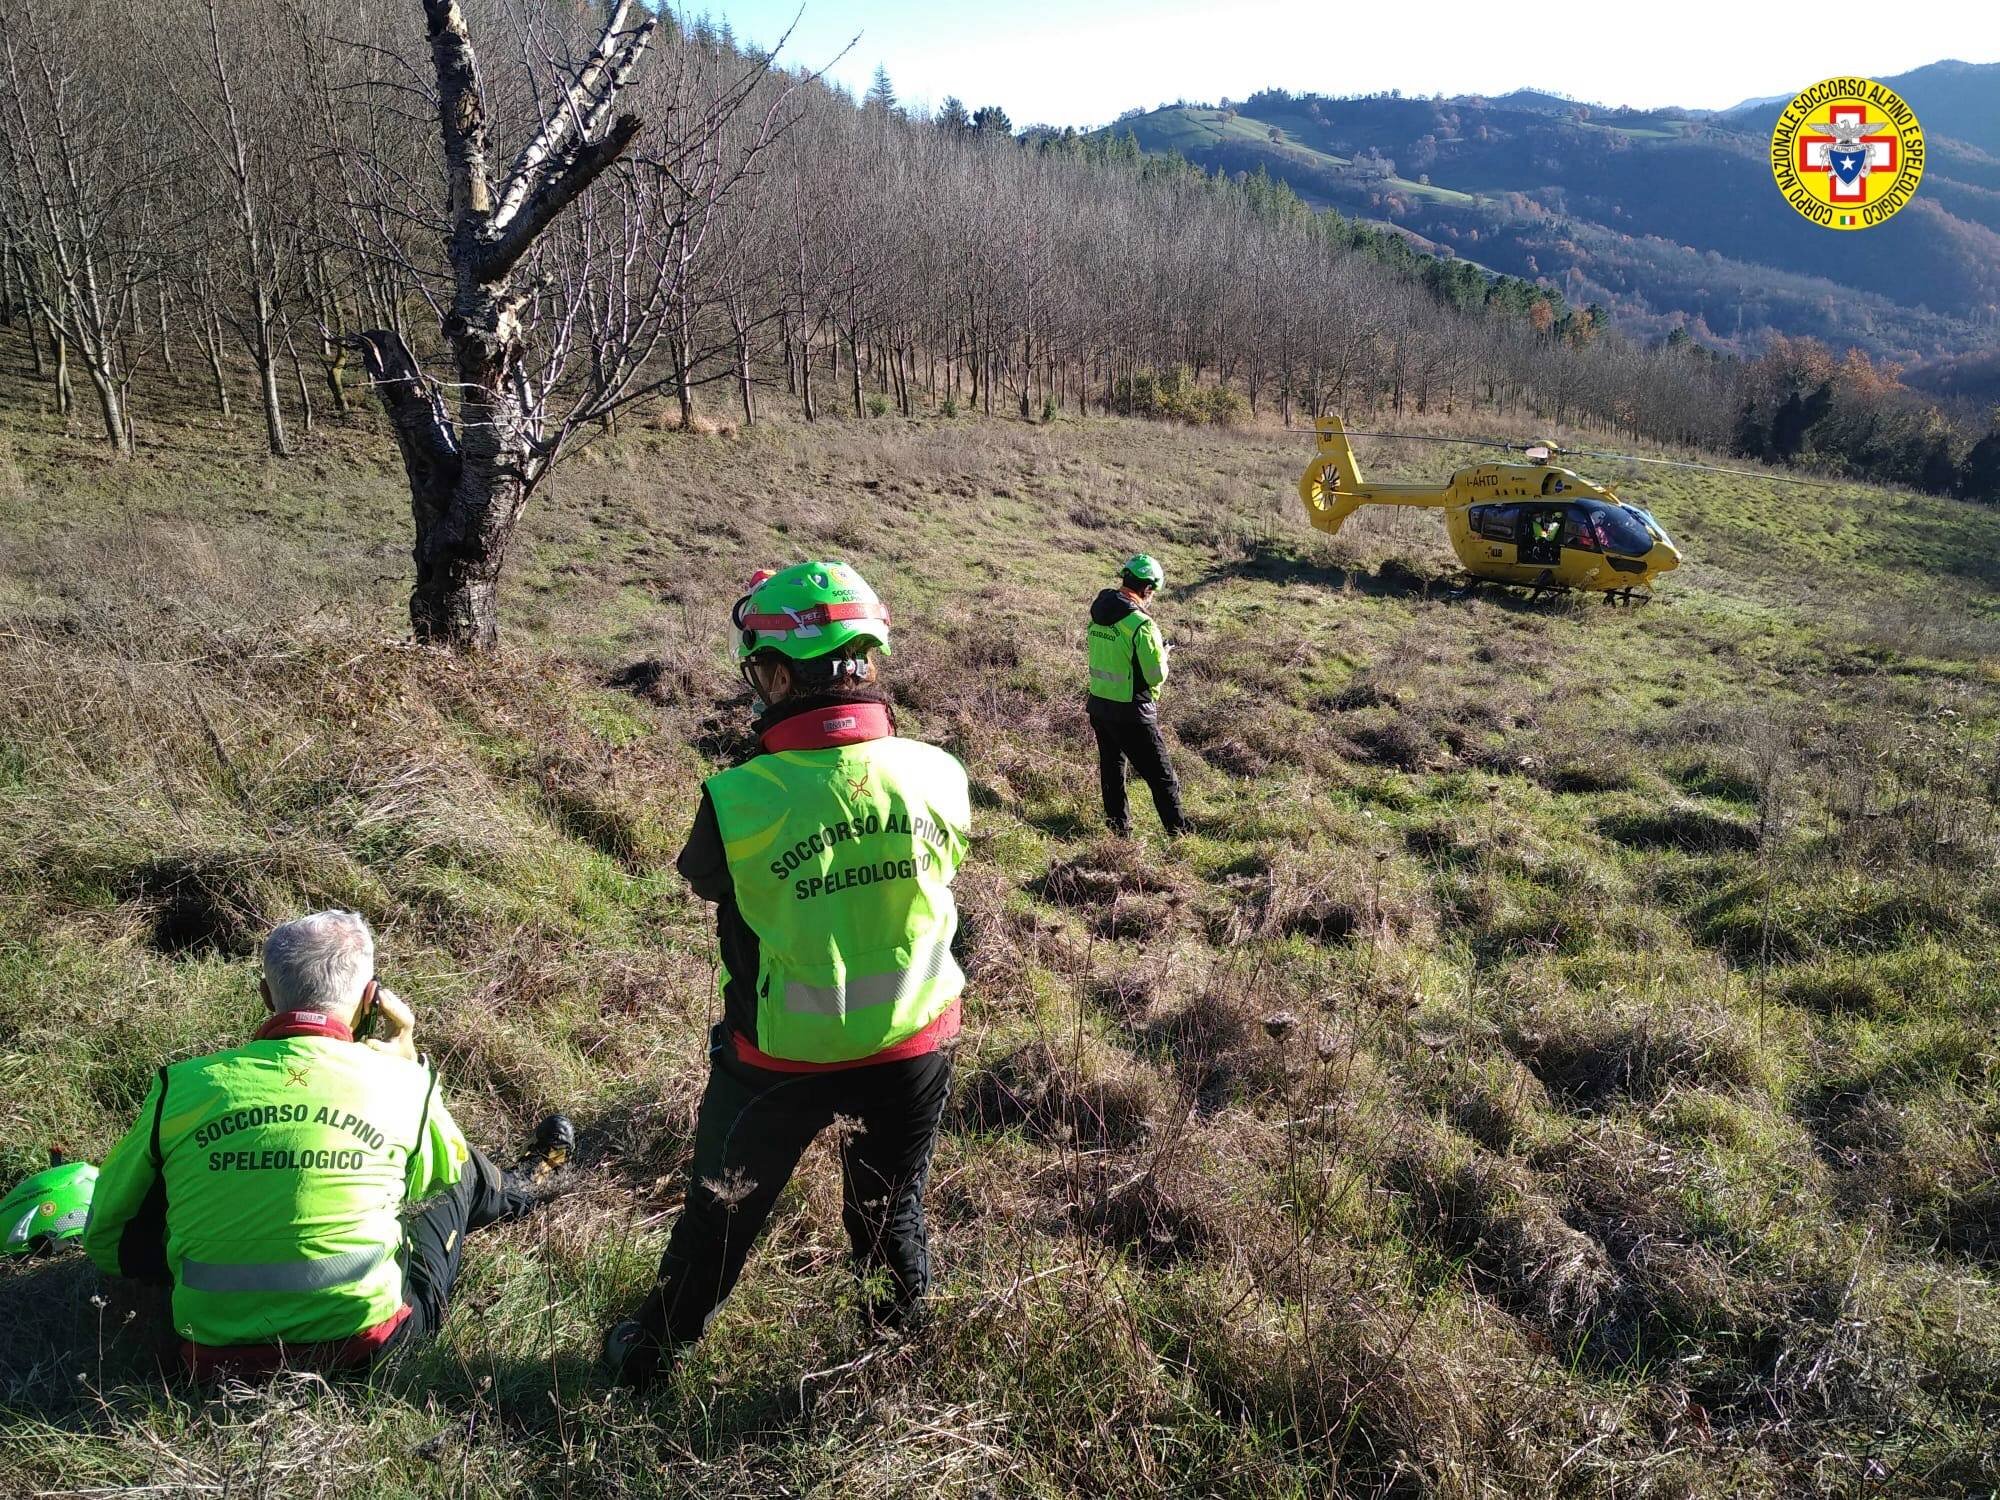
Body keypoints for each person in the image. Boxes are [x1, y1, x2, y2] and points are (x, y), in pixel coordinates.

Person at [603, 561, 970, 1389]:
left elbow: (709, 880)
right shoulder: (940, 772)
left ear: (774, 676)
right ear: (866, 661)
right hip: (915, 1044)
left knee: (720, 1216)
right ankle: (894, 1365)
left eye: (758, 674)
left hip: (776, 1056)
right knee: (891, 1211)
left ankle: (651, 1355)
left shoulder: (737, 799)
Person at [82, 911, 573, 1380]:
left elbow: (106, 1233)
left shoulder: (181, 1087)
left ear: (265, 994)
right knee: (459, 1169)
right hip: (370, 1350)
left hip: (209, 1356)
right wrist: (408, 1060)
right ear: (371, 999)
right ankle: (524, 1184)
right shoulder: (402, 1082)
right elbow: (436, 1177)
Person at [1086, 554, 1189, 837]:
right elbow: (1155, 675)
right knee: (1162, 776)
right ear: (1147, 588)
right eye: (1153, 591)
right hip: (1132, 711)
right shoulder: (1142, 625)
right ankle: (1179, 833)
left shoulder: (1099, 612)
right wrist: (1163, 656)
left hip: (1099, 705)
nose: (1152, 596)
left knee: (1112, 770)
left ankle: (1119, 830)